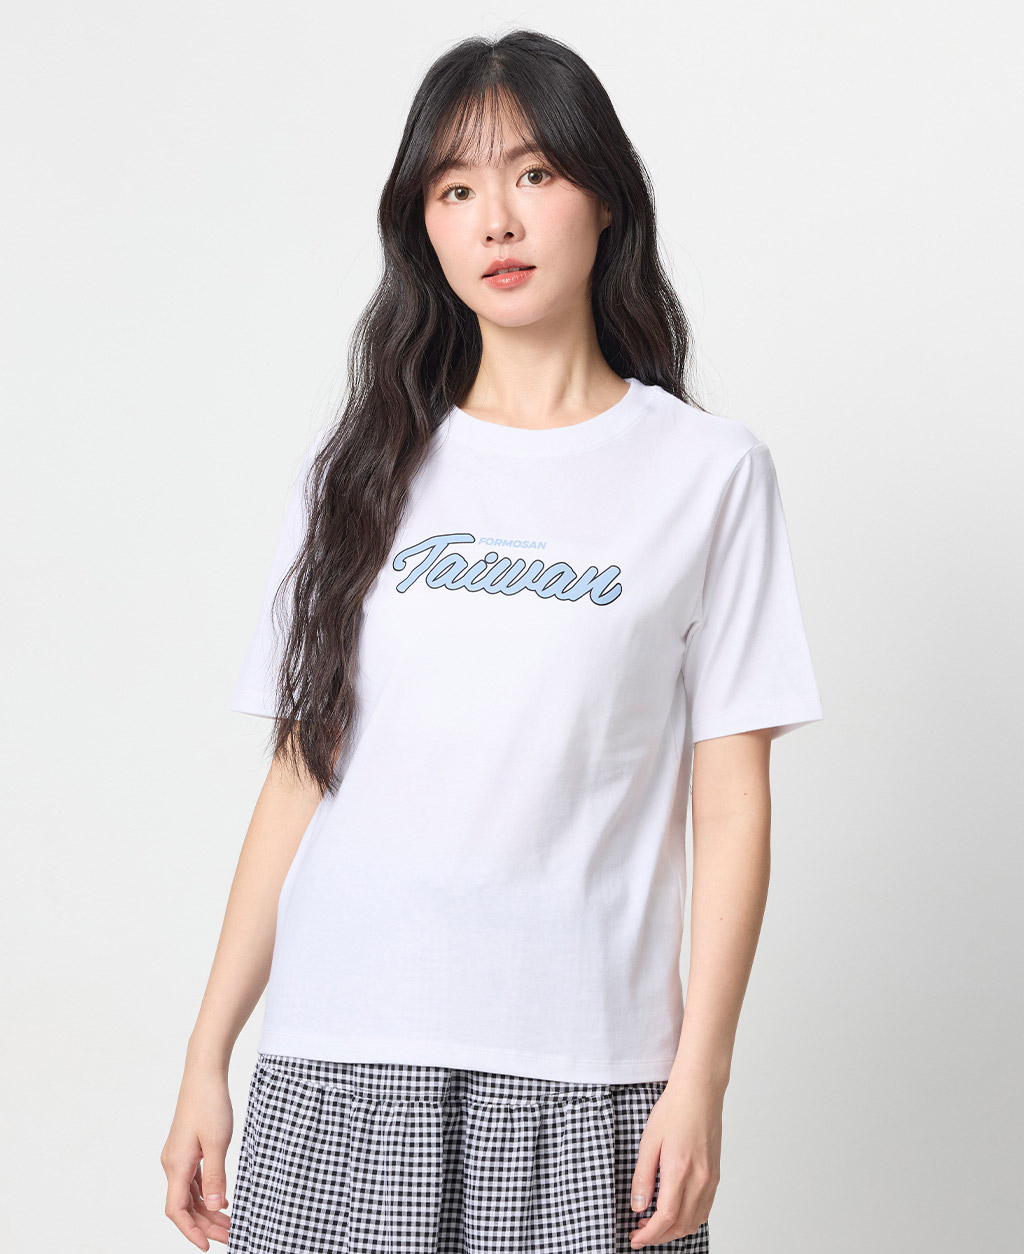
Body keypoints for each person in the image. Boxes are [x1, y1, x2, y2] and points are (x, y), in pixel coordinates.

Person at [161, 27, 823, 1254]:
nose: (496, 221)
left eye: (533, 174)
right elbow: (302, 772)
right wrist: (208, 1053)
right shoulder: (358, 470)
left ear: (604, 197)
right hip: (341, 1054)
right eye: (454, 190)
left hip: (588, 1072)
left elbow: (731, 799)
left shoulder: (706, 473)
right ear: (423, 227)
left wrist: (701, 1078)